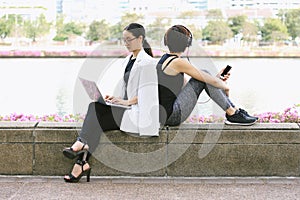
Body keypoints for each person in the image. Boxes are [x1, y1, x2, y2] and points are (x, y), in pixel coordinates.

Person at [63, 23, 159, 183]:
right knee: (97, 116)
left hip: (139, 114)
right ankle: (81, 164)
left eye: (129, 39)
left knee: (94, 109)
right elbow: (128, 89)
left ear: (140, 38)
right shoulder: (129, 60)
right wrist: (114, 99)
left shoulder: (148, 63)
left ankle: (80, 145)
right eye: (124, 40)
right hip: (127, 108)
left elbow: (147, 95)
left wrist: (124, 101)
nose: (126, 43)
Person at [157, 25, 258, 127]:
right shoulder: (177, 62)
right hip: (172, 116)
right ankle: (232, 113)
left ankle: (235, 111)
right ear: (187, 43)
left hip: (165, 115)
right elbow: (203, 80)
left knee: (204, 77)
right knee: (203, 74)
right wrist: (225, 87)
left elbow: (189, 88)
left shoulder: (166, 59)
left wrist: (217, 79)